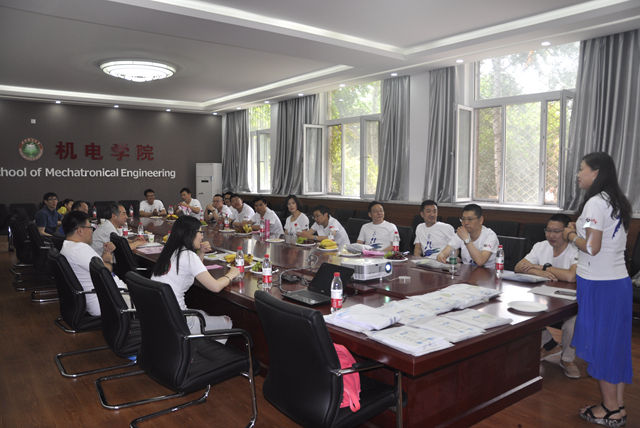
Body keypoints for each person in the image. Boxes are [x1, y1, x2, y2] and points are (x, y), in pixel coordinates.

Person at [562, 152, 632, 427]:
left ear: (596, 172)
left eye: (582, 169)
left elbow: (592, 247)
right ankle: (617, 406)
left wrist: (570, 235)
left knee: (602, 345)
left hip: (600, 285)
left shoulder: (594, 203)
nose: (578, 174)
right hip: (617, 283)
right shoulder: (615, 201)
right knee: (614, 346)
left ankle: (609, 409)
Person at [514, 214, 580, 378]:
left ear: (567, 232)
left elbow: (571, 276)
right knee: (521, 310)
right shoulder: (540, 246)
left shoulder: (575, 249)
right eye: (548, 230)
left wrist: (540, 267)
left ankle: (567, 360)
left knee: (573, 322)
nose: (551, 235)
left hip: (570, 301)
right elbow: (518, 267)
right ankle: (550, 344)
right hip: (544, 297)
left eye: (556, 231)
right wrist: (539, 271)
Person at [151, 216, 240, 334]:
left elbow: (194, 269)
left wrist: (201, 252)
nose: (202, 236)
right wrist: (231, 274)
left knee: (202, 313)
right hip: (178, 321)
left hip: (159, 316)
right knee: (226, 321)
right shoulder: (188, 255)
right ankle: (201, 345)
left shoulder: (170, 250)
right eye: (200, 232)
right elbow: (216, 287)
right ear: (190, 233)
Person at [60, 211, 124, 316]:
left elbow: (97, 266)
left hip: (103, 296)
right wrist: (109, 258)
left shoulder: (68, 246)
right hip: (108, 301)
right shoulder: (81, 249)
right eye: (90, 228)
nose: (92, 231)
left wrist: (106, 253)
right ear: (80, 231)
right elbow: (106, 270)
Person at [436, 204, 499, 268]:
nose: (466, 223)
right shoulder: (461, 233)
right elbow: (444, 253)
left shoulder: (490, 235)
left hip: (487, 273)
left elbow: (480, 261)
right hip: (466, 271)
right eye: (463, 219)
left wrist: (467, 240)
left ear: (480, 220)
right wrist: (441, 256)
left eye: (470, 219)